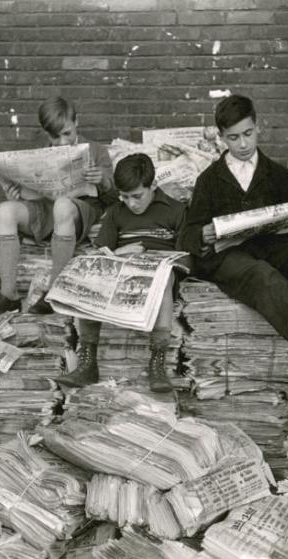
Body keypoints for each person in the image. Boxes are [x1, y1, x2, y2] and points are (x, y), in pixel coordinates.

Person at [178, 94, 288, 349]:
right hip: (228, 256)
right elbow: (187, 233)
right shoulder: (208, 180)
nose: (243, 144)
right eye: (233, 138)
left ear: (258, 127)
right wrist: (203, 235)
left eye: (248, 133)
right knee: (260, 273)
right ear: (221, 136)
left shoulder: (277, 174)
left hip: (270, 248)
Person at [56, 153, 187, 393]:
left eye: (137, 196)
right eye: (124, 197)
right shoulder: (116, 212)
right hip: (121, 272)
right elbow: (100, 252)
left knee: (166, 276)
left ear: (153, 186)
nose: (131, 203)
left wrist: (157, 261)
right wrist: (121, 252)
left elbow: (187, 256)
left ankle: (158, 363)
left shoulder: (175, 211)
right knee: (91, 275)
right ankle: (88, 362)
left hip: (158, 276)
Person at [0, 96, 116, 316]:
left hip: (79, 211)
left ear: (77, 122)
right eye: (55, 136)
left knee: (63, 205)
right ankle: (8, 296)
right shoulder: (39, 153)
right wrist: (15, 194)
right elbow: (31, 193)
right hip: (45, 209)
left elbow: (113, 198)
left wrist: (102, 180)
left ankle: (54, 293)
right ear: (46, 133)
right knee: (5, 210)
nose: (62, 142)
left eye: (67, 133)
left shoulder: (95, 150)